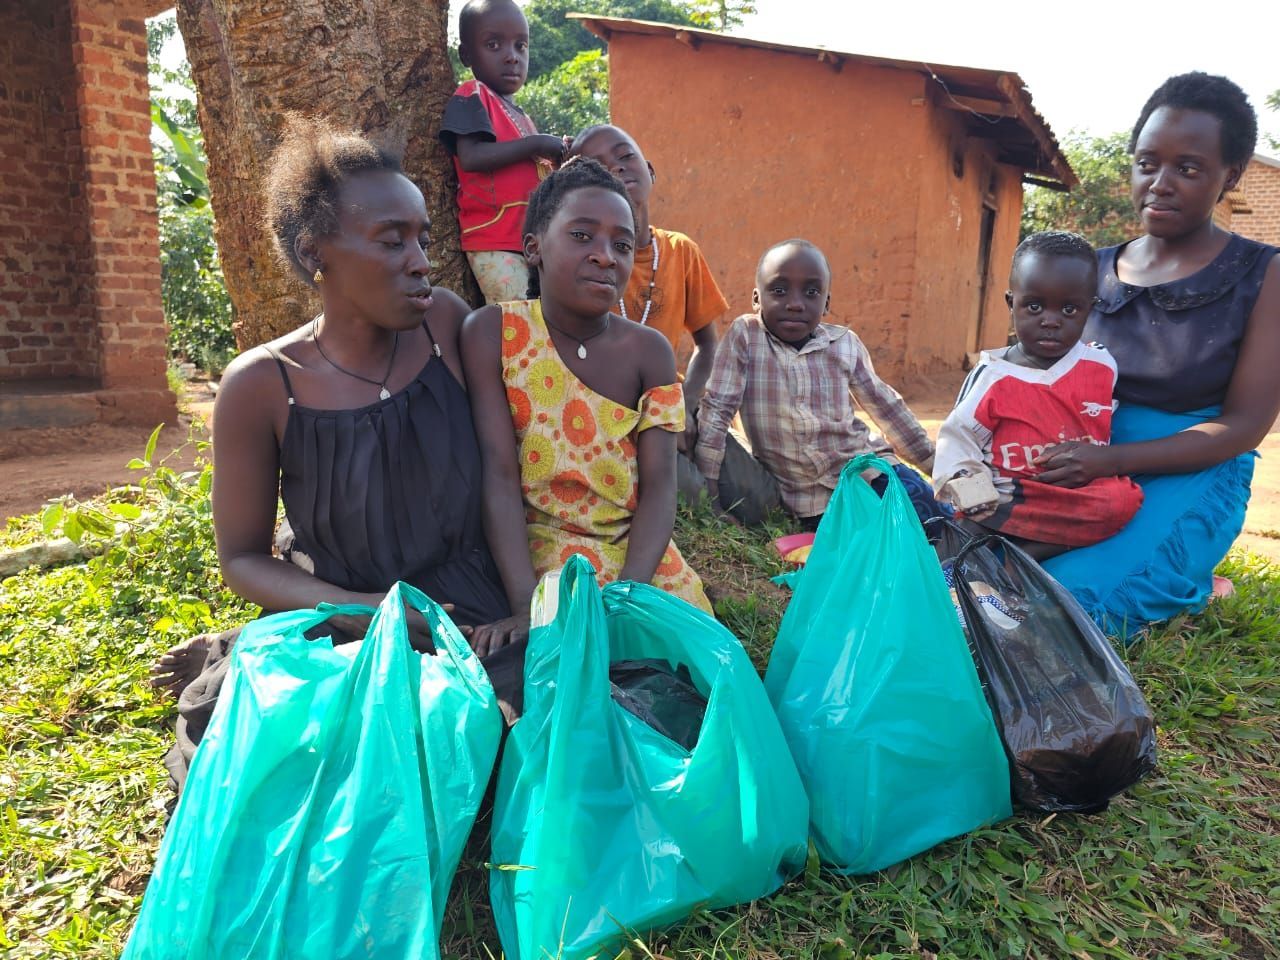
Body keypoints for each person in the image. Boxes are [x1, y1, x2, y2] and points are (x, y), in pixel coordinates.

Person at [152, 116, 526, 792]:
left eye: (423, 238)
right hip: (344, 614)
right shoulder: (261, 385)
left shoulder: (445, 323)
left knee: (513, 737)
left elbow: (502, 475)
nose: (420, 260)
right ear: (315, 251)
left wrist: (525, 610)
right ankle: (229, 657)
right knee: (317, 764)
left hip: (468, 613)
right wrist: (364, 608)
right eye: (392, 240)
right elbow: (241, 558)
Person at [1033, 73, 1279, 639]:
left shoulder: (1264, 275)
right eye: (1147, 163)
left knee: (1066, 603)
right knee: (969, 560)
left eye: (1187, 169)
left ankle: (1185, 575)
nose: (1159, 183)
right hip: (1078, 458)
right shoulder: (1085, 269)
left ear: (1230, 176)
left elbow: (1243, 426)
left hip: (1191, 468)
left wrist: (1111, 462)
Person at [461, 157, 712, 614]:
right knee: (569, 644)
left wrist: (629, 595)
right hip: (543, 549)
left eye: (622, 244)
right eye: (581, 236)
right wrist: (523, 605)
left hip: (636, 550)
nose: (604, 254)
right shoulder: (493, 333)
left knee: (691, 651)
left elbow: (659, 487)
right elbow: (497, 473)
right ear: (533, 248)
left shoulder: (650, 352)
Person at [695, 238, 942, 530]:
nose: (795, 304)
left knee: (931, 519)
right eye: (778, 290)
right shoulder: (746, 337)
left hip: (865, 471)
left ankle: (965, 570)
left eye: (811, 292)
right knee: (863, 547)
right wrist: (708, 494)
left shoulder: (844, 345)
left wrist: (938, 468)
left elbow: (887, 409)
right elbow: (717, 410)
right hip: (806, 501)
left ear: (826, 303)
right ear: (756, 298)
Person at [932, 231, 1144, 560]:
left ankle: (1025, 556)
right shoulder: (993, 375)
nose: (1050, 321)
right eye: (1034, 306)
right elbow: (957, 439)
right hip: (1010, 493)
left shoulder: (1101, 364)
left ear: (1091, 309)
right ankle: (973, 563)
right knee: (961, 536)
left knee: (1121, 501)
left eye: (1069, 310)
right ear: (1010, 303)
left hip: (1074, 493)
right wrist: (969, 485)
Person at [568, 125, 729, 462]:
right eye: (599, 167)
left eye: (625, 156)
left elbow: (708, 344)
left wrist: (686, 403)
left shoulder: (680, 250)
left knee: (749, 492)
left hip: (674, 399)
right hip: (611, 411)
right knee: (690, 491)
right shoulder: (584, 261)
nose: (617, 167)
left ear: (651, 171)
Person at [440, 0, 568, 304]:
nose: (511, 57)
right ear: (467, 54)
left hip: (527, 242)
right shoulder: (472, 95)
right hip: (493, 239)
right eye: (494, 44)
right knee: (519, 318)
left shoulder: (521, 116)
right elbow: (471, 157)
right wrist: (536, 144)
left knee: (543, 317)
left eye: (520, 46)